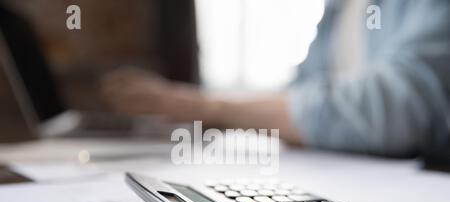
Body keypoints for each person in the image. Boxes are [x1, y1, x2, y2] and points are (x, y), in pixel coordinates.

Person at [102, 0, 450, 157]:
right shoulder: (338, 11)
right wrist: (203, 111)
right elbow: (299, 97)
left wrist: (202, 106)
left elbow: (400, 109)